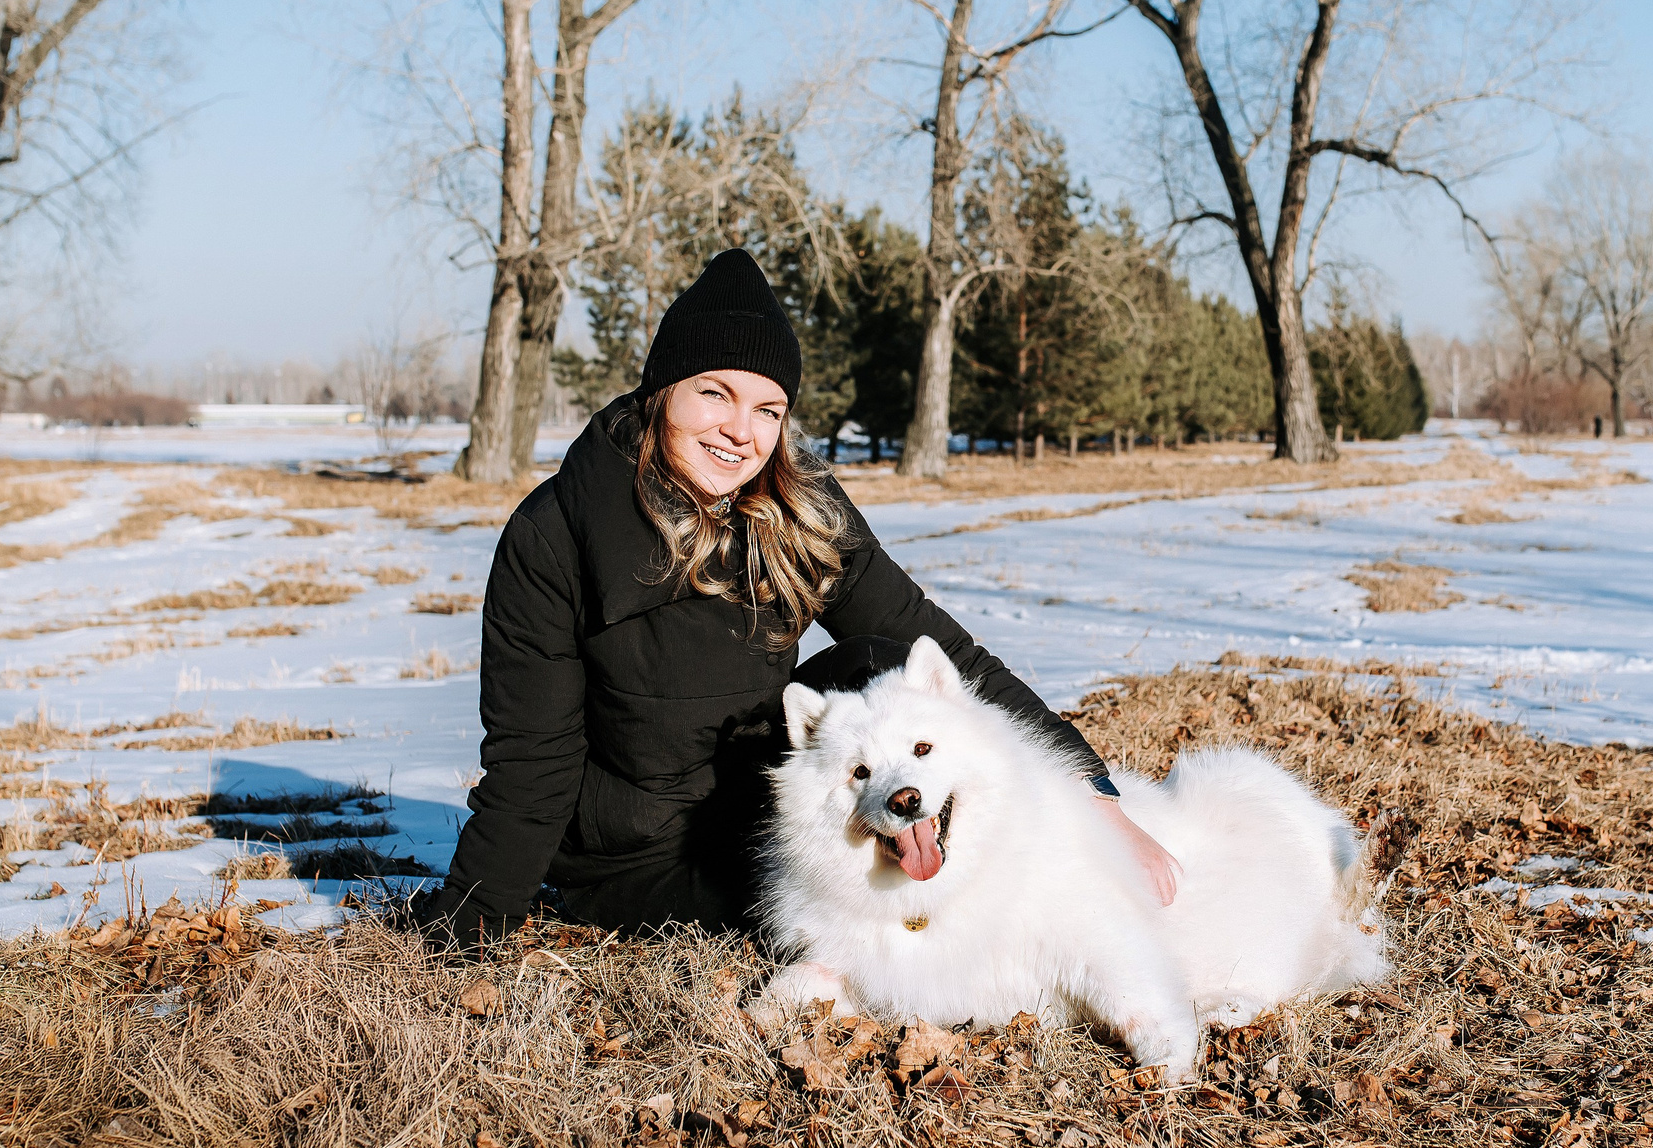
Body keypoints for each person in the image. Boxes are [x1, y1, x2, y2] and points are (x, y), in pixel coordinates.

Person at [416, 248, 1179, 944]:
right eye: (715, 394)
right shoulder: (556, 535)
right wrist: (469, 922)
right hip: (641, 852)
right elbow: (533, 761)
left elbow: (938, 651)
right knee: (855, 914)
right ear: (661, 393)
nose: (739, 431)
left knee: (882, 663)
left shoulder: (796, 506)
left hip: (763, 794)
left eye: (767, 409)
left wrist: (1092, 796)